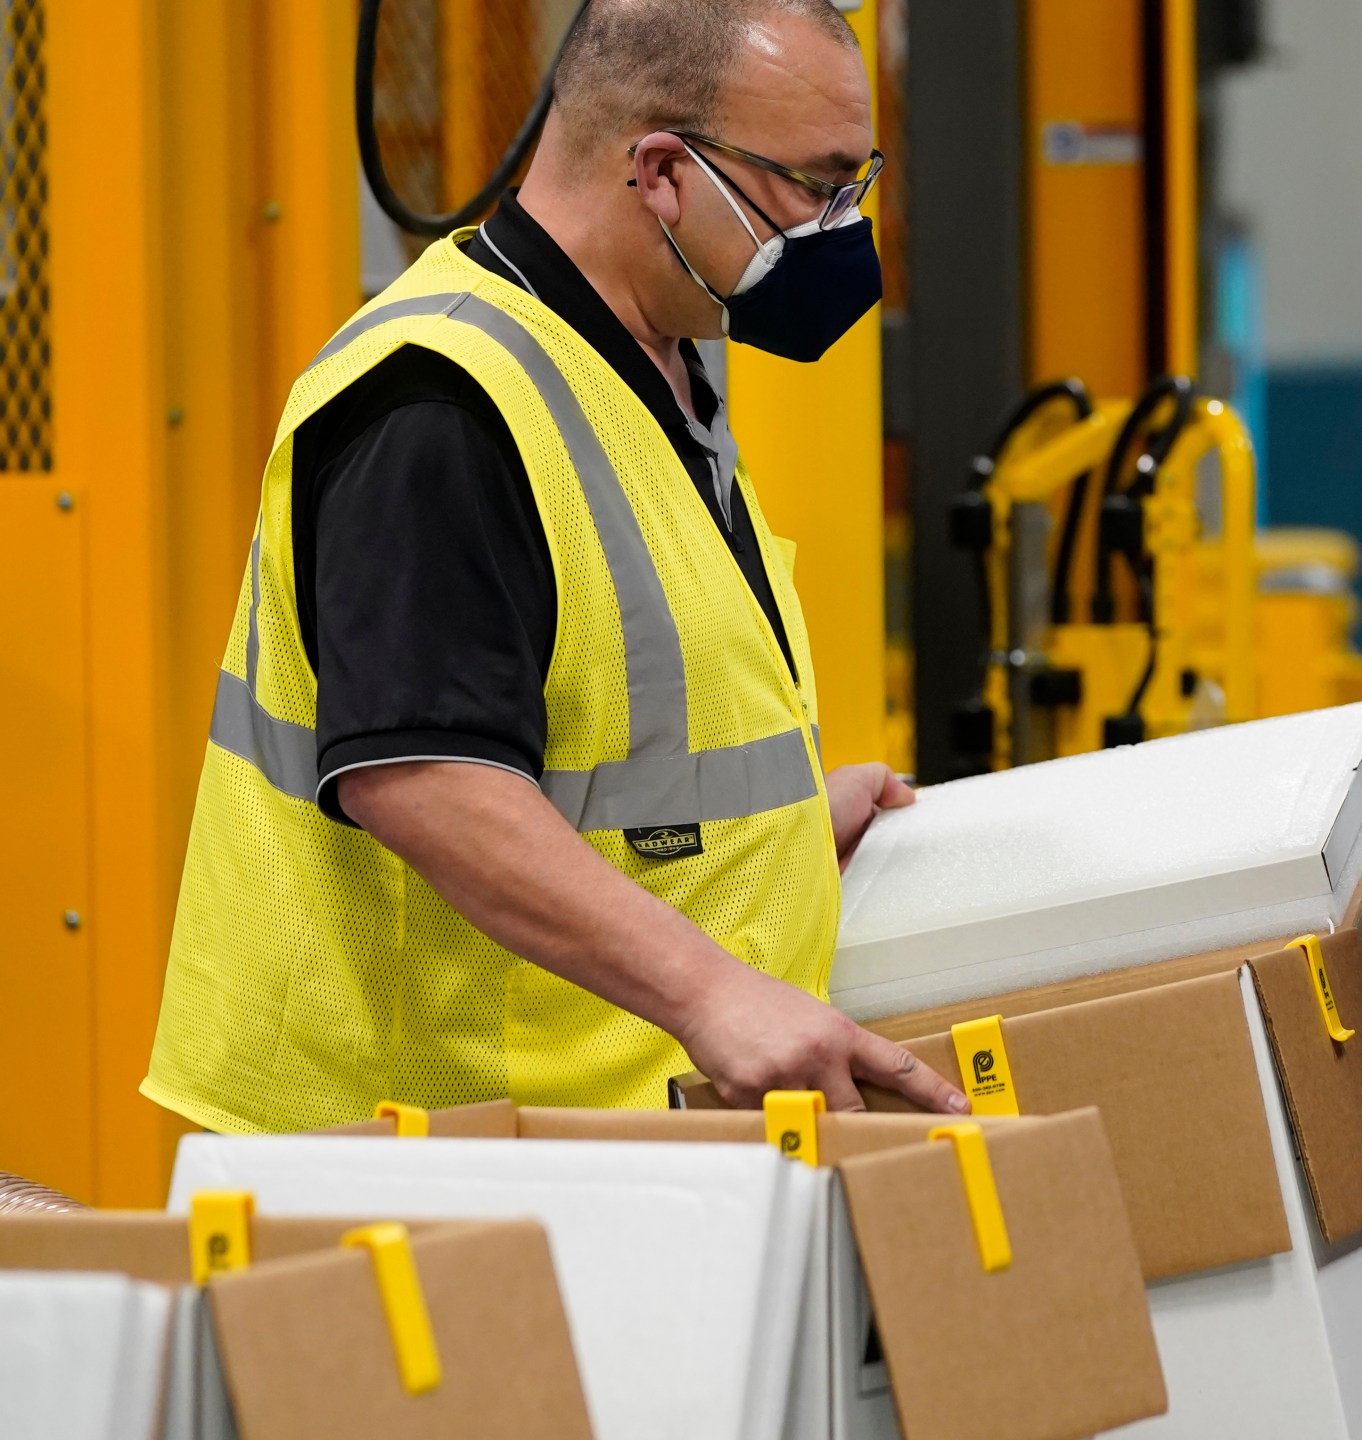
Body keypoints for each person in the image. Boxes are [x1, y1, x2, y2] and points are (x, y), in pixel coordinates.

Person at [144, 0, 970, 1133]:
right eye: (815, 188)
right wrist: (711, 989)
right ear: (664, 173)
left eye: (855, 186)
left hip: (580, 1140)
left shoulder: (649, 360)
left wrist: (770, 832)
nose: (842, 229)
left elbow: (606, 727)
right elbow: (427, 777)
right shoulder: (441, 397)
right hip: (416, 1156)